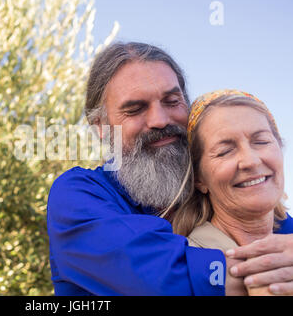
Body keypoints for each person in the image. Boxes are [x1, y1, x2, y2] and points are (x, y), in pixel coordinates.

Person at [46, 42, 293, 295]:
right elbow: (155, 278)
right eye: (135, 109)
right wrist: (271, 275)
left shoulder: (227, 192)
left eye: (172, 101)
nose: (160, 120)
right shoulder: (79, 196)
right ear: (100, 126)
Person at [167, 89, 291, 295]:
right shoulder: (184, 267)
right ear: (199, 179)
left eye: (261, 141)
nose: (250, 161)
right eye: (225, 151)